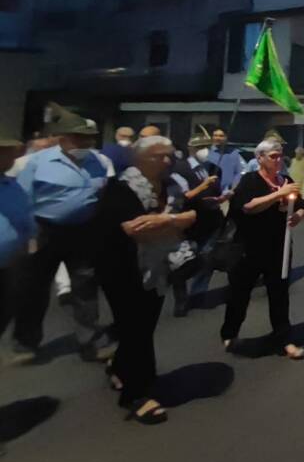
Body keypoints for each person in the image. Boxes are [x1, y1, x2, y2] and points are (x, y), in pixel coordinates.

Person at [96, 136, 196, 425]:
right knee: (134, 327)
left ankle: (120, 367)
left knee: (145, 324)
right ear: (139, 159)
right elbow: (136, 229)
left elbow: (196, 215)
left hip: (157, 267)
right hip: (121, 268)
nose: (166, 161)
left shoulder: (171, 185)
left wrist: (167, 221)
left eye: (169, 156)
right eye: (158, 156)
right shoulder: (121, 188)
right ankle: (135, 394)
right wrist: (177, 221)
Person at [12, 103, 117, 363]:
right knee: (33, 289)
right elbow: (23, 199)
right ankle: (25, 343)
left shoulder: (99, 161)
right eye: (78, 137)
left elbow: (104, 194)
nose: (84, 142)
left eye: (88, 138)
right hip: (43, 230)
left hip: (83, 232)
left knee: (85, 288)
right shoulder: (36, 162)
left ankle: (90, 341)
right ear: (62, 138)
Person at [220, 139, 304, 360]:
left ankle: (284, 338)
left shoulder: (286, 180)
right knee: (239, 293)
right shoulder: (249, 180)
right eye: (273, 156)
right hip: (248, 248)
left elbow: (302, 205)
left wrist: (297, 215)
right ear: (260, 158)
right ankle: (230, 333)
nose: (278, 160)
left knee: (279, 295)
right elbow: (248, 207)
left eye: (280, 156)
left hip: (278, 248)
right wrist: (278, 194)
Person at [167, 131, 224, 316]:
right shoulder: (179, 169)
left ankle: (198, 294)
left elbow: (216, 191)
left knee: (207, 258)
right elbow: (183, 197)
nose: (205, 151)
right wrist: (203, 185)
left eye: (207, 147)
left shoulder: (213, 167)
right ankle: (181, 299)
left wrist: (221, 198)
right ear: (192, 149)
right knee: (182, 262)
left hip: (211, 219)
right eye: (201, 148)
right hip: (189, 221)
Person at [1, 136, 34, 336]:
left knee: (5, 311)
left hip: (8, 267)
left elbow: (25, 218)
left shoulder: (13, 186)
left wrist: (30, 241)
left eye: (9, 152)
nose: (7, 157)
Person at [208, 127, 245, 194]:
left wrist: (234, 188)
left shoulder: (233, 153)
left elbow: (239, 172)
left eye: (221, 136)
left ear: (226, 137)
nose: (218, 138)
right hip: (210, 192)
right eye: (215, 135)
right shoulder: (206, 153)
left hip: (229, 192)